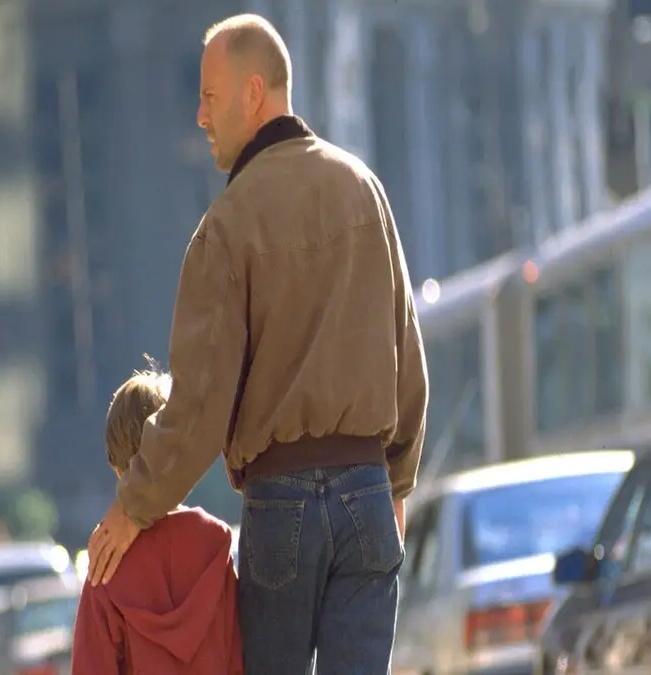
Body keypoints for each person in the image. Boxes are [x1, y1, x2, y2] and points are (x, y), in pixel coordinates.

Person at [86, 12, 428, 675]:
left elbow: (199, 406)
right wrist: (396, 486)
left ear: (252, 92)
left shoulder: (225, 227)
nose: (199, 116)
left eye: (209, 97)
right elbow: (407, 361)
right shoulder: (362, 188)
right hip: (367, 491)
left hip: (282, 501)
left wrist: (134, 505)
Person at [73, 371, 242, 675]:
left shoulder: (106, 562)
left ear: (117, 470)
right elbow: (239, 657)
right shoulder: (216, 543)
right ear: (177, 457)